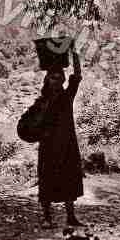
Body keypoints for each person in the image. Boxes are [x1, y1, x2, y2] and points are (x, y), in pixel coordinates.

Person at [37, 45, 83, 228]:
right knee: (46, 179)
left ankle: (71, 217)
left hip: (67, 144)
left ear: (63, 79)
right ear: (47, 80)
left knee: (69, 178)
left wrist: (74, 53)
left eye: (58, 77)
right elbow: (32, 124)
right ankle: (46, 217)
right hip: (48, 146)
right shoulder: (42, 101)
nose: (55, 80)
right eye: (52, 77)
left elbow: (77, 75)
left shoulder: (67, 96)